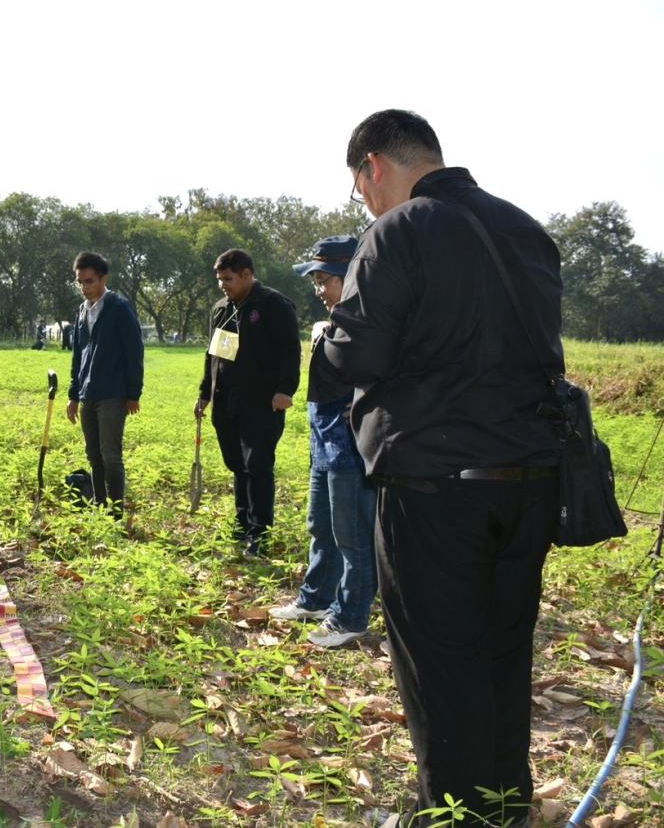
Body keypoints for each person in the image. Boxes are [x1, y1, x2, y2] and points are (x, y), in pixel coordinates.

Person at [323, 109, 563, 826]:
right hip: (528, 479)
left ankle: (451, 813)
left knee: (440, 661)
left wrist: (326, 339)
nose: (365, 202)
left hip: (435, 483)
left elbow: (359, 354)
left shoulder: (397, 232)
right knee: (502, 652)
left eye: (360, 186)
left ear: (374, 165)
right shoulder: (524, 228)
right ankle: (505, 804)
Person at [268, 236, 377, 649]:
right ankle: (316, 598)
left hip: (350, 448)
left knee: (352, 536)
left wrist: (367, 403)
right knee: (321, 526)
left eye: (324, 279)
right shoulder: (331, 321)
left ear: (350, 277)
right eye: (315, 280)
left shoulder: (370, 324)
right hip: (323, 441)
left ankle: (350, 616)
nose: (318, 289)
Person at [194, 249, 299, 556]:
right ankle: (242, 522)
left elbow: (290, 351)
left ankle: (259, 532)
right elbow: (215, 355)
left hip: (262, 401)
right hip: (227, 400)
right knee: (237, 465)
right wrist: (205, 393)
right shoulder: (222, 309)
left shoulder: (272, 305)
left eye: (227, 279)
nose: (222, 285)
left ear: (246, 275)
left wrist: (285, 390)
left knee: (258, 465)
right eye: (219, 280)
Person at [66, 251, 143, 519]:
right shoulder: (81, 311)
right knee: (93, 455)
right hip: (88, 393)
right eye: (80, 282)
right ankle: (99, 505)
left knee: (111, 455)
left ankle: (116, 511)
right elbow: (78, 355)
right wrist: (73, 395)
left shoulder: (119, 309)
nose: (85, 287)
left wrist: (134, 393)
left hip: (113, 393)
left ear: (103, 279)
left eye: (89, 281)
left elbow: (135, 352)